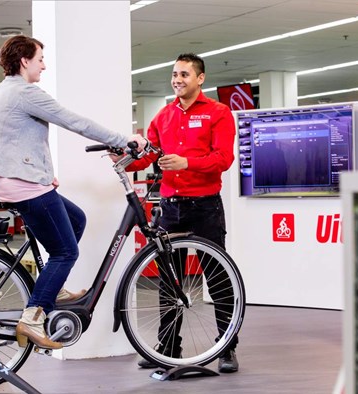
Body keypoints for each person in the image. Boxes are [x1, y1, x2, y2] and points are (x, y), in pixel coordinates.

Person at [0, 35, 146, 350]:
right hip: (21, 184)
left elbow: (10, 140)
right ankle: (34, 315)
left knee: (76, 219)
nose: (44, 65)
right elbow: (72, 120)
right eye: (40, 59)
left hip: (8, 180)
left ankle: (55, 287)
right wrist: (122, 140)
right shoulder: (25, 92)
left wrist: (40, 172)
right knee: (67, 252)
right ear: (24, 60)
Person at [123, 53, 238, 373]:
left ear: (200, 79)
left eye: (184, 74)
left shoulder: (219, 113)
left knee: (217, 277)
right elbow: (146, 158)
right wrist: (119, 156)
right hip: (170, 208)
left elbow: (223, 159)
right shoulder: (163, 116)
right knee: (168, 281)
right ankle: (168, 346)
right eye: (174, 74)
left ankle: (227, 347)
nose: (177, 80)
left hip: (205, 206)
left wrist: (188, 163)